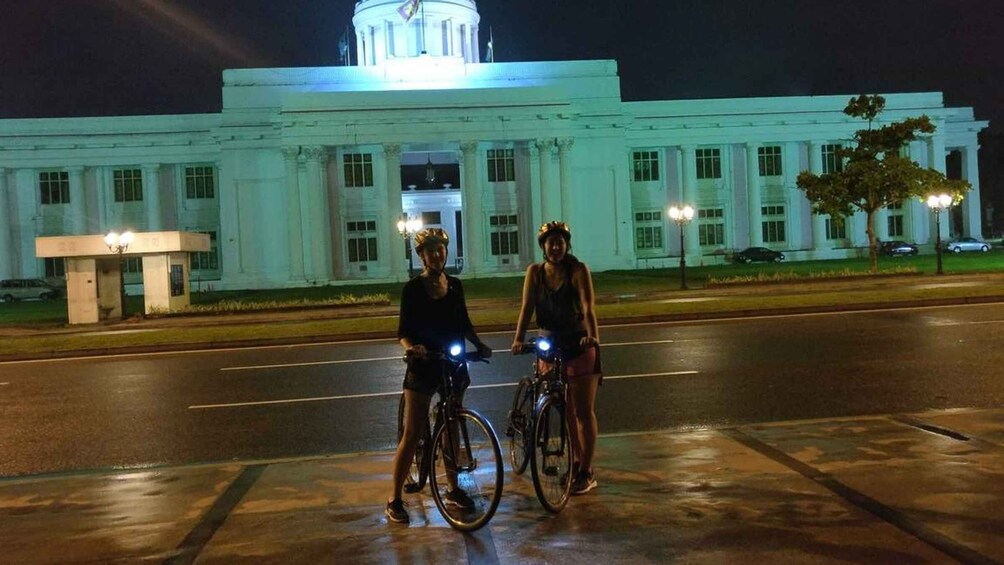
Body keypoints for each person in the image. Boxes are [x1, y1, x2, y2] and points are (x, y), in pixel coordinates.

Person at [386, 227, 493, 524]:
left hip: (452, 363)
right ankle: (394, 498)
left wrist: (479, 345)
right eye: (430, 250)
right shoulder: (413, 289)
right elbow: (403, 332)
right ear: (421, 256)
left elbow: (465, 322)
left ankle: (452, 487)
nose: (437, 254)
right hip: (424, 364)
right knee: (412, 432)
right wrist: (412, 348)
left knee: (452, 424)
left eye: (441, 249)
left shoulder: (456, 285)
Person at [510, 220, 601, 495]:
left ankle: (586, 470)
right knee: (564, 409)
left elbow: (588, 306)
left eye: (560, 241)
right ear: (543, 246)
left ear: (567, 244)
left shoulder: (577, 270)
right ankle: (574, 460)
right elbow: (526, 308)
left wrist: (592, 336)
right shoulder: (535, 273)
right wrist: (518, 338)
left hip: (578, 343)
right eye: (550, 241)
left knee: (583, 412)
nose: (556, 246)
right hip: (548, 344)